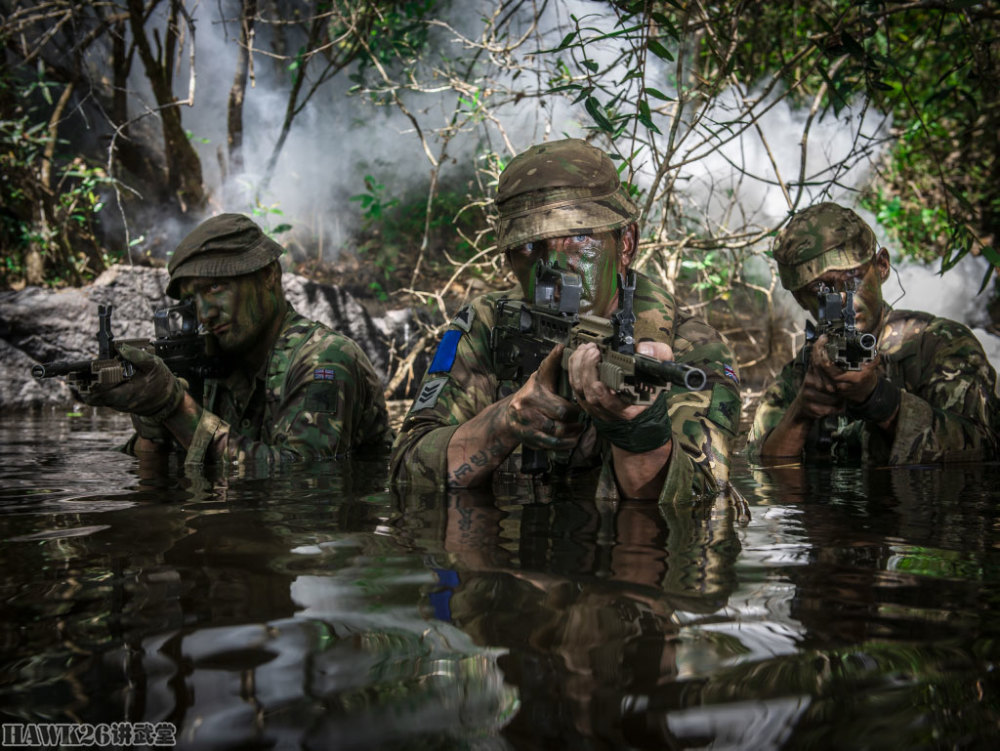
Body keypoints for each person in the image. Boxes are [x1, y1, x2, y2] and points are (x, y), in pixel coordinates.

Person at [390, 139, 742, 502]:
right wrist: (504, 423)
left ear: (626, 244)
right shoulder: (488, 324)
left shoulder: (693, 351)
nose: (554, 267)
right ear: (509, 258)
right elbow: (406, 469)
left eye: (578, 236)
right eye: (530, 246)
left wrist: (637, 427)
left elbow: (696, 509)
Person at [83, 213, 393, 468]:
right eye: (193, 298)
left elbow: (303, 479)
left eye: (216, 287)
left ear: (269, 274)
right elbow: (147, 472)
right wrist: (153, 422)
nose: (205, 314)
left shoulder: (324, 360)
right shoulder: (211, 360)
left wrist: (177, 407)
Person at [747, 201, 999, 465]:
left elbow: (984, 448)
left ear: (882, 266)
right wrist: (802, 411)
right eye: (820, 291)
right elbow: (760, 468)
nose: (842, 299)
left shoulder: (940, 345)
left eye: (853, 279)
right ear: (801, 300)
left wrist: (879, 400)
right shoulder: (802, 373)